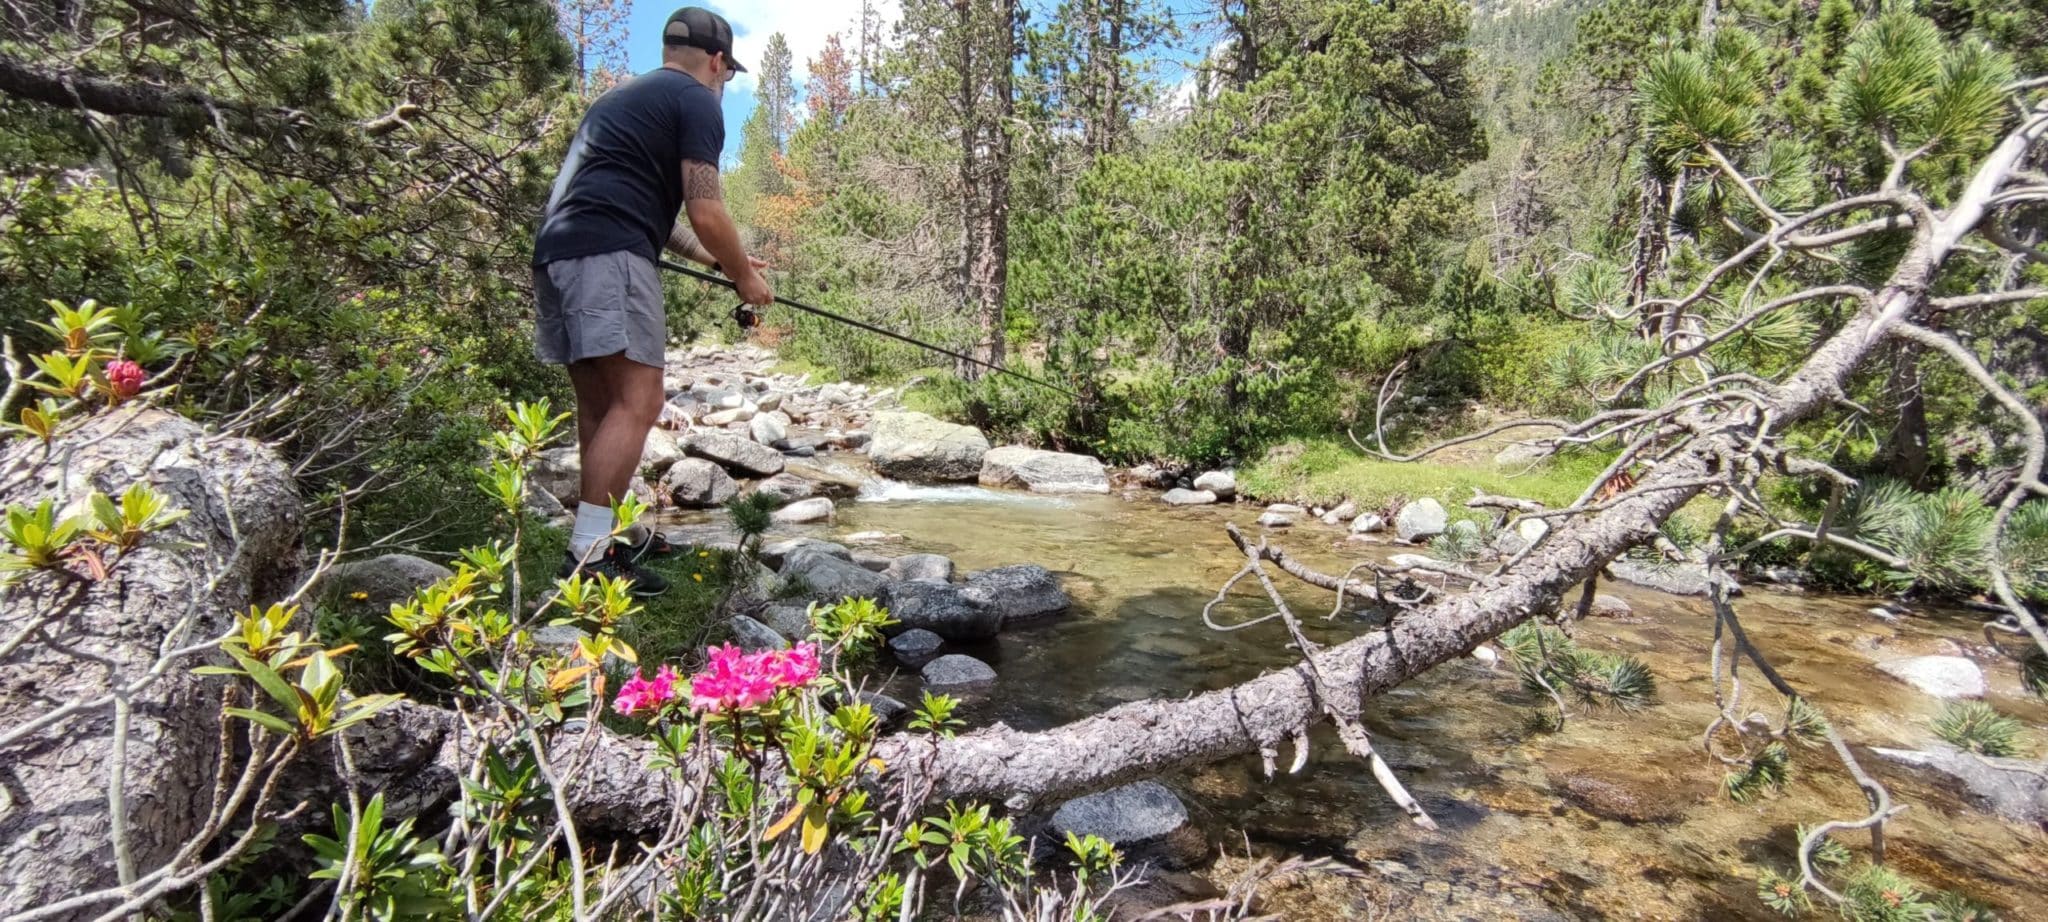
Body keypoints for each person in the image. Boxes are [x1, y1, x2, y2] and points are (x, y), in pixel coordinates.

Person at [531, 6, 773, 596]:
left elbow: (660, 220)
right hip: (610, 258)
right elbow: (706, 207)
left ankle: (606, 537)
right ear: (717, 61)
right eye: (727, 72)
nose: (725, 81)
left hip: (558, 254)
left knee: (602, 406)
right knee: (640, 400)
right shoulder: (696, 101)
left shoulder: (624, 100)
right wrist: (745, 276)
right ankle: (589, 558)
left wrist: (719, 262)